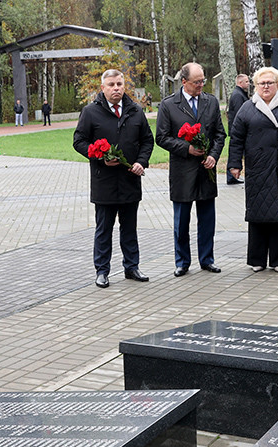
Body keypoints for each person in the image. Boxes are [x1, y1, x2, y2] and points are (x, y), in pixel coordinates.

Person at [73, 69, 154, 288]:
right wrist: (99, 157)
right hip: (104, 182)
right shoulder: (90, 112)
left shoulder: (135, 111)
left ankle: (132, 266)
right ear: (102, 88)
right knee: (104, 229)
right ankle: (102, 271)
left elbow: (147, 140)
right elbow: (79, 141)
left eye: (119, 84)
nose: (116, 88)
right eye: (111, 84)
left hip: (129, 181)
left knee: (130, 228)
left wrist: (141, 162)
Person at [156, 62, 227, 277]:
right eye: (197, 82)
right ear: (184, 82)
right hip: (182, 172)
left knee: (207, 220)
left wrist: (213, 156)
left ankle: (207, 259)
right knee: (182, 221)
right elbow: (161, 137)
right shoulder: (169, 105)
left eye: (203, 80)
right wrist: (187, 149)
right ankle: (182, 262)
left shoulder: (211, 102)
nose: (201, 85)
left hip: (206, 171)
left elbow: (219, 134)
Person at [227, 67, 278, 273]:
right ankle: (257, 259)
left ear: (277, 85)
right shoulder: (247, 108)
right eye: (262, 83)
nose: (266, 86)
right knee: (256, 213)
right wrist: (235, 164)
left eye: (270, 83)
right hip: (256, 167)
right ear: (255, 86)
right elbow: (236, 138)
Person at [225, 74, 250, 185]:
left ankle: (232, 176)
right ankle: (231, 176)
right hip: (238, 130)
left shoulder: (239, 94)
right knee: (236, 151)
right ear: (240, 83)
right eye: (246, 81)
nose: (248, 84)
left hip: (236, 129)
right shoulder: (238, 96)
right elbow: (240, 114)